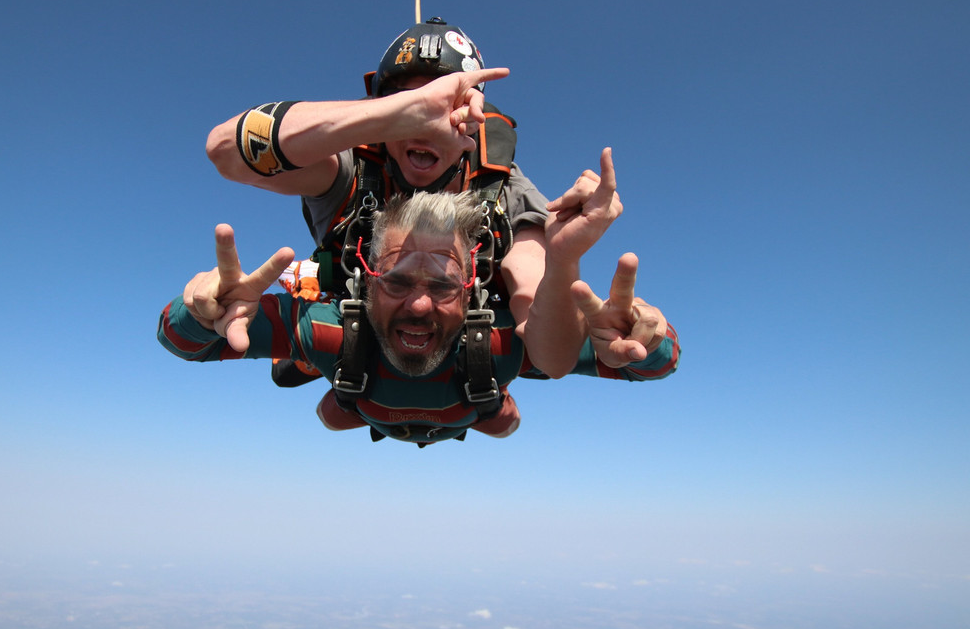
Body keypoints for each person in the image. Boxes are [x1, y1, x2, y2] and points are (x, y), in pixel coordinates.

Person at [204, 17, 590, 382]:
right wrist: (392, 115)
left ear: (476, 119)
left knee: (495, 403)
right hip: (360, 312)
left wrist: (565, 261)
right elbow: (226, 152)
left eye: (451, 107)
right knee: (323, 396)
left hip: (455, 335)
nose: (427, 123)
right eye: (413, 105)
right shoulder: (350, 167)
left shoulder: (506, 191)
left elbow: (552, 357)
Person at [157, 185, 680, 446]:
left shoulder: (501, 343)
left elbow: (652, 361)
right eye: (399, 281)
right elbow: (186, 342)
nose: (421, 304)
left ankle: (304, 370)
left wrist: (640, 333)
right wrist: (205, 308)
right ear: (365, 280)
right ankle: (300, 369)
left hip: (410, 397)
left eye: (444, 284)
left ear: (472, 286)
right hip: (378, 389)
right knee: (336, 406)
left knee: (499, 419)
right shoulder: (330, 329)